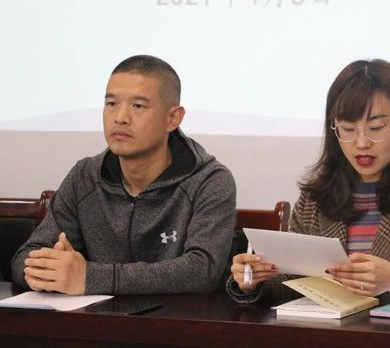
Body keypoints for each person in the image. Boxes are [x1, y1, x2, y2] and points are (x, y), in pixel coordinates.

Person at [227, 59, 390, 347]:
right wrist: (254, 281)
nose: (361, 143)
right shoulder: (316, 197)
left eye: (376, 127)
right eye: (348, 128)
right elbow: (294, 284)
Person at [12, 55, 236, 295]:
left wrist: (89, 278)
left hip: (176, 318)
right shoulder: (85, 176)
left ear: (173, 118)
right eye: (111, 104)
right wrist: (51, 270)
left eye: (137, 106)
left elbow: (201, 271)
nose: (120, 117)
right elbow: (25, 257)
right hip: (95, 317)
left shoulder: (209, 181)